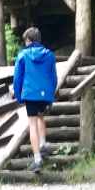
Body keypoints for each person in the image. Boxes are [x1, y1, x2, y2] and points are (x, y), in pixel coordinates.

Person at [11, 27, 58, 172]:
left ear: (29, 40)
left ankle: (37, 159)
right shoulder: (49, 55)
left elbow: (17, 79)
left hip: (30, 94)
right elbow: (54, 78)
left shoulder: (23, 55)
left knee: (32, 123)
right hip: (44, 95)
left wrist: (19, 96)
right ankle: (43, 145)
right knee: (41, 117)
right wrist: (50, 95)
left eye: (25, 40)